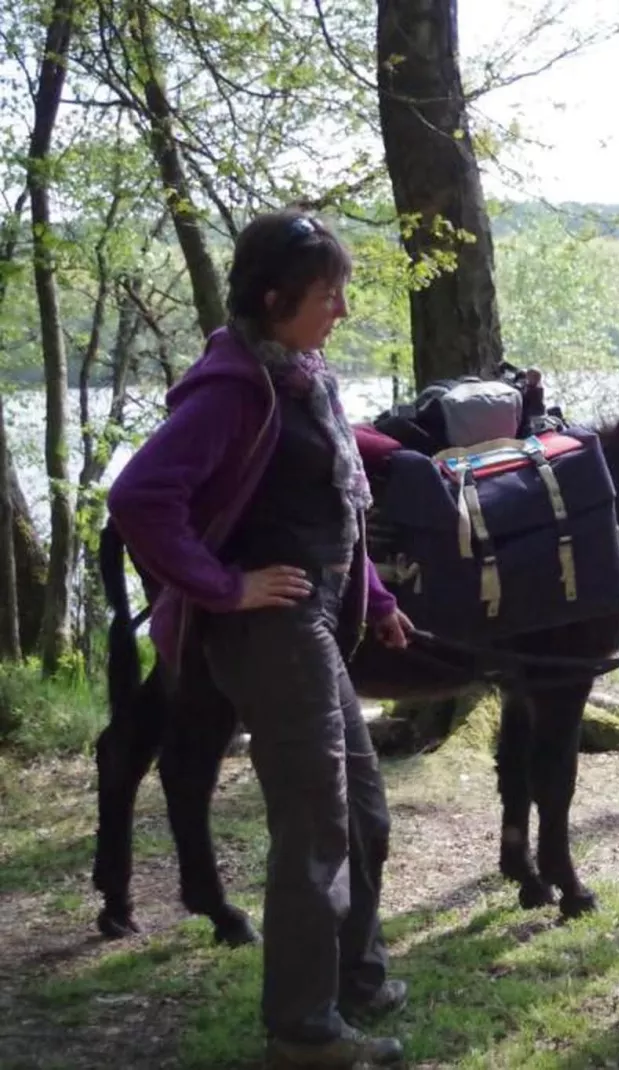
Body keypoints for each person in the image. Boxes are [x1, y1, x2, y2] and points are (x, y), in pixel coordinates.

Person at [107, 210, 411, 1067]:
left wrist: (377, 594)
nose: (342, 309)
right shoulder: (235, 388)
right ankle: (301, 1029)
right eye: (328, 295)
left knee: (364, 812)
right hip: (267, 630)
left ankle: (355, 977)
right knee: (316, 819)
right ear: (275, 299)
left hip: (313, 616)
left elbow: (331, 505)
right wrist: (221, 585)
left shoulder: (300, 373)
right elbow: (139, 499)